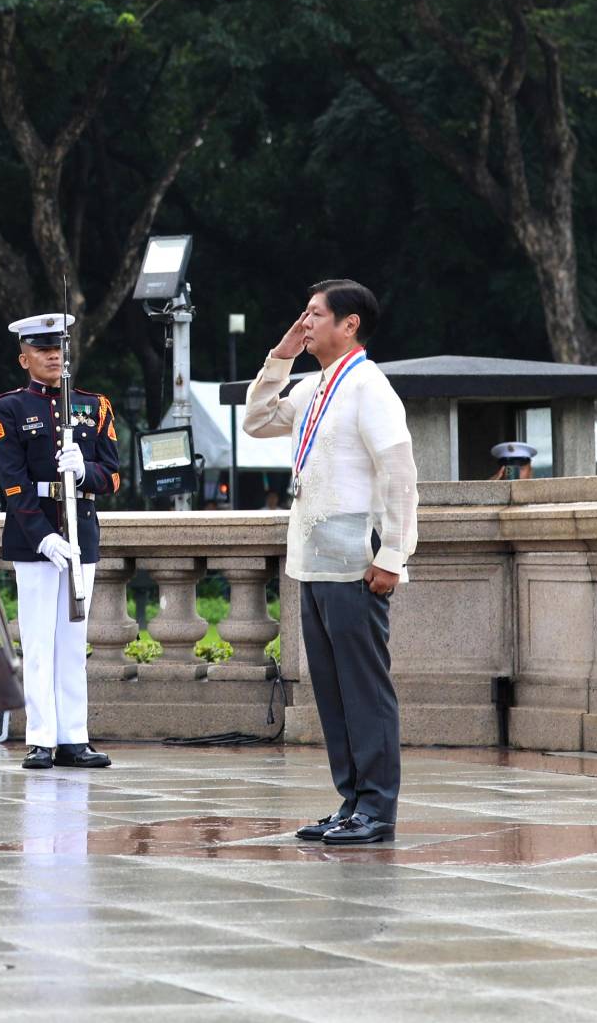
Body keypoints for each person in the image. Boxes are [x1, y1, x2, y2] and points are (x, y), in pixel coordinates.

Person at [244, 279, 418, 846]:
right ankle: (351, 800)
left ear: (350, 325)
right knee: (333, 690)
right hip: (313, 559)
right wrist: (280, 356)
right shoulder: (315, 384)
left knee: (364, 688)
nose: (307, 321)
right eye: (305, 313)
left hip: (353, 560)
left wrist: (392, 556)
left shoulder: (368, 386)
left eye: (317, 314)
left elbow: (399, 476)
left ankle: (377, 807)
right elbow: (256, 419)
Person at [0, 313, 121, 771]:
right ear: (24, 356)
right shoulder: (10, 408)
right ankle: (41, 738)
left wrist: (84, 469)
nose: (52, 355)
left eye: (58, 348)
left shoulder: (94, 405)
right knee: (40, 642)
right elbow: (12, 482)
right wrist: (42, 536)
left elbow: (115, 475)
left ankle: (74, 737)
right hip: (35, 538)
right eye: (42, 349)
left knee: (73, 643)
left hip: (80, 531)